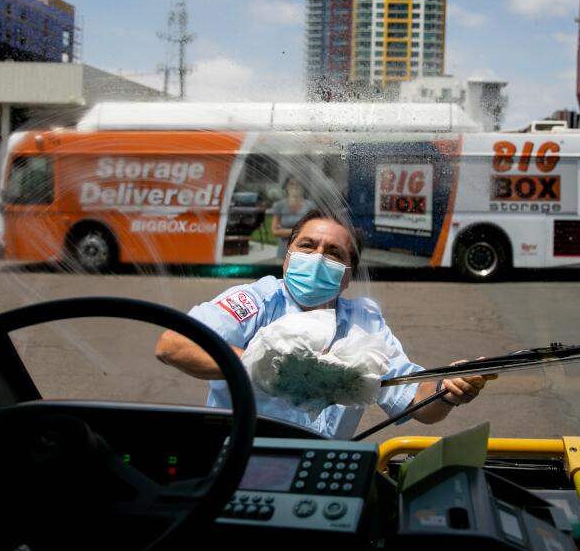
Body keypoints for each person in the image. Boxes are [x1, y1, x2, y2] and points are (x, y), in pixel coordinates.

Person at [155, 210, 487, 439]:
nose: (317, 258)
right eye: (307, 246)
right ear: (288, 256)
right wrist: (271, 365)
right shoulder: (258, 300)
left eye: (333, 253)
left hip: (320, 467)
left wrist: (447, 391)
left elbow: (417, 402)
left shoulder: (365, 323)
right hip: (239, 460)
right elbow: (173, 345)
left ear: (348, 274)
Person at [269, 176, 316, 258]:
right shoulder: (279, 205)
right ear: (286, 186)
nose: (295, 186)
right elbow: (274, 231)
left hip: (304, 252)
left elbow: (314, 230)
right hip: (284, 252)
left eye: (298, 184)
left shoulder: (310, 206)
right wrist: (299, 232)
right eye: (291, 184)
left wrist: (284, 232)